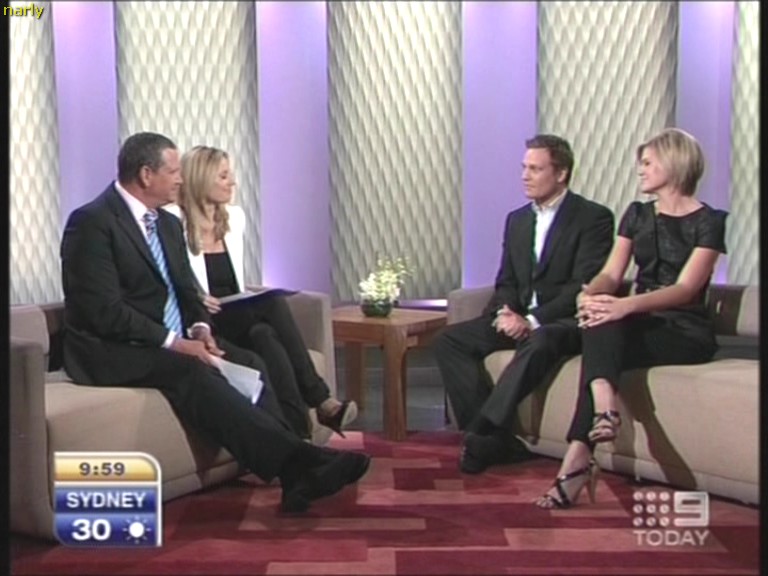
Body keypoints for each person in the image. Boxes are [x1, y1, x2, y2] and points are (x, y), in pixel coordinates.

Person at [60, 132, 370, 513]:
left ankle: (295, 470)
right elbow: (104, 311)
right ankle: (300, 464)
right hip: (110, 349)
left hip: (165, 338)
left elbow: (187, 292)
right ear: (145, 174)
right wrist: (177, 342)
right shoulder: (92, 223)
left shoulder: (166, 224)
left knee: (249, 362)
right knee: (191, 370)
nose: (181, 179)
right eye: (174, 171)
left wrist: (201, 329)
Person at [535, 128, 727, 509]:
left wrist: (623, 306)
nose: (640, 170)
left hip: (684, 330)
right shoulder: (636, 214)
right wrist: (593, 293)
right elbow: (611, 272)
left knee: (606, 324)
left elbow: (686, 289)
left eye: (647, 163)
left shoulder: (709, 221)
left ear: (674, 164)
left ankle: (578, 460)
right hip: (641, 320)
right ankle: (602, 414)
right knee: (599, 316)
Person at [433, 134, 614, 474]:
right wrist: (506, 312)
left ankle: (481, 432)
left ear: (561, 173)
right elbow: (506, 280)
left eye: (535, 169)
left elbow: (582, 285)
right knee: (449, 340)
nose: (524, 176)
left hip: (563, 322)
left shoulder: (593, 218)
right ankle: (493, 440)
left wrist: (531, 320)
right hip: (518, 317)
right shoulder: (517, 220)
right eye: (524, 168)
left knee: (540, 339)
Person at [164, 145, 357, 443]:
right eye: (223, 176)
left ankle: (299, 438)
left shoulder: (234, 218)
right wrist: (195, 297)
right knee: (273, 304)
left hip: (235, 313)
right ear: (201, 178)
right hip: (203, 319)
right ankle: (321, 401)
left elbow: (236, 282)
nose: (233, 182)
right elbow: (165, 279)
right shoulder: (172, 221)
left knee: (264, 335)